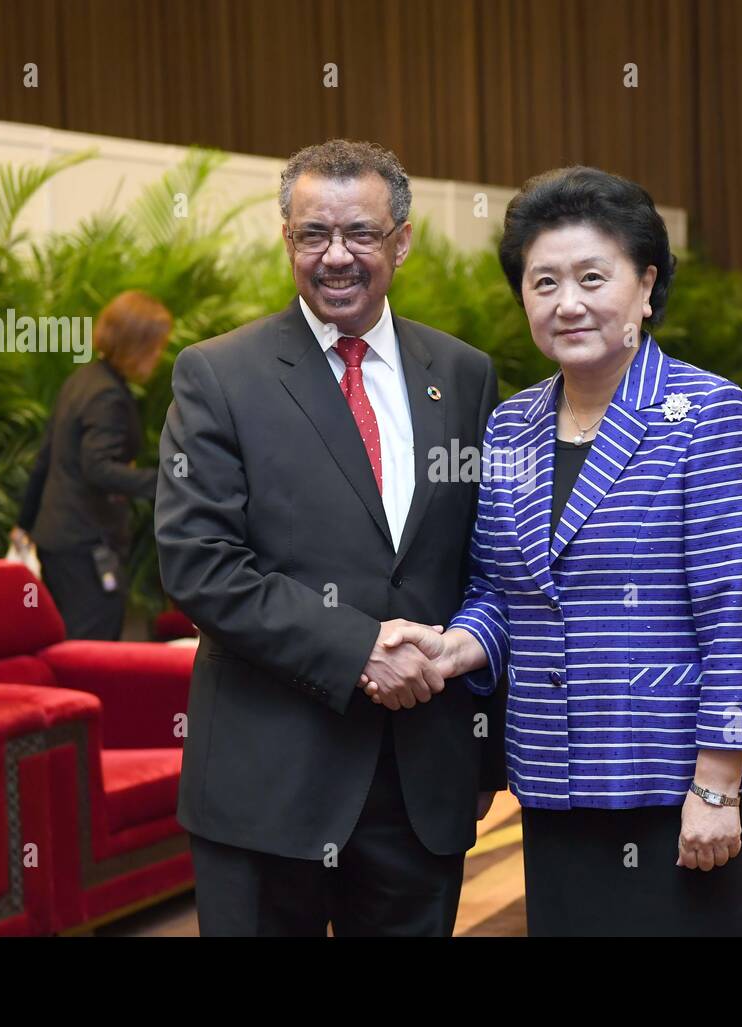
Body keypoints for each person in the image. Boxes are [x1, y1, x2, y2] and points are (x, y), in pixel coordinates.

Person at [370, 166, 742, 936]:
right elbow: (499, 591)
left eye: (594, 276)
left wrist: (720, 786)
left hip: (671, 784)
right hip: (555, 774)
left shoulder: (708, 414)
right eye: (544, 281)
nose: (568, 303)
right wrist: (454, 644)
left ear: (646, 285)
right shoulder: (513, 426)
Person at [154, 139, 506, 937]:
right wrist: (358, 650)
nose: (336, 256)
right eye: (313, 234)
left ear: (403, 241)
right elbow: (199, 567)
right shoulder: (217, 376)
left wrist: (485, 758)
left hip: (422, 784)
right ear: (287, 239)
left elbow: (488, 564)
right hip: (267, 784)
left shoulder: (464, 373)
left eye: (361, 234)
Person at [13, 290, 172, 640]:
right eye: (156, 346)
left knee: (72, 643)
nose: (158, 357)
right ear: (135, 344)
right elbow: (98, 469)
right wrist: (171, 485)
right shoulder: (108, 395)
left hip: (57, 540)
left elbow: (45, 459)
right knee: (92, 645)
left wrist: (24, 525)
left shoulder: (81, 381)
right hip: (87, 546)